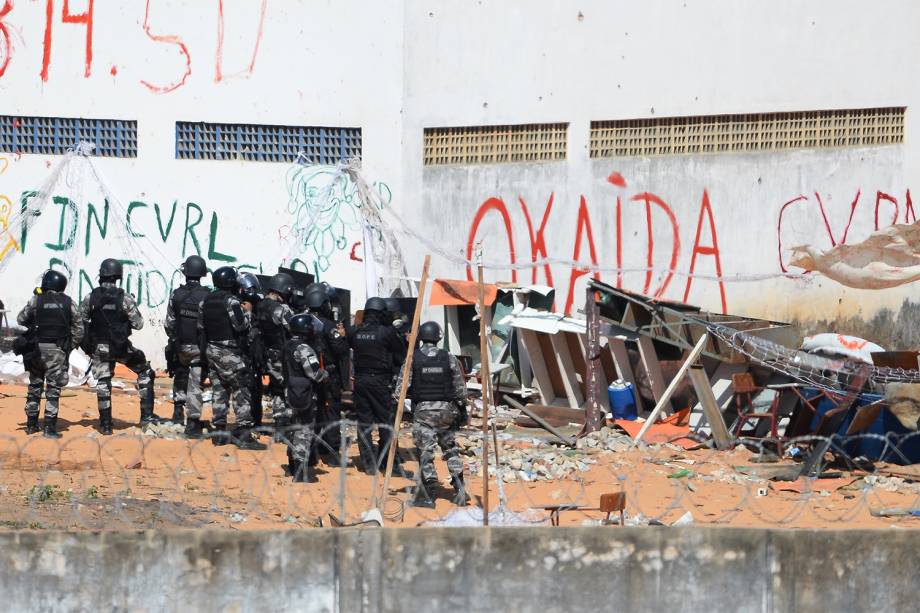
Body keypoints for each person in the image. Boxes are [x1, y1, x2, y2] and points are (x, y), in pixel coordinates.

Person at [79, 259, 159, 434]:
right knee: (145, 371)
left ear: (101, 275)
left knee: (103, 382)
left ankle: (106, 425)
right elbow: (138, 324)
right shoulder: (125, 298)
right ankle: (146, 418)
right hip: (120, 347)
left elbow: (81, 321)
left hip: (99, 347)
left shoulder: (90, 297)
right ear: (118, 276)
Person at [399, 321, 470, 508]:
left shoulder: (413, 358)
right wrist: (462, 408)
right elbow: (461, 389)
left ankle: (429, 495)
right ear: (438, 337)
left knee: (426, 453)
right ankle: (460, 488)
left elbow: (400, 389)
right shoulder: (449, 357)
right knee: (450, 449)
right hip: (447, 411)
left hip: (423, 412)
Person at [198, 266, 266, 450]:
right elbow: (240, 326)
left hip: (212, 350)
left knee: (219, 390)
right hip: (229, 352)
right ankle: (244, 433)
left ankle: (219, 433)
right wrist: (249, 311)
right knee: (241, 389)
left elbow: (201, 327)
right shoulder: (231, 301)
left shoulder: (205, 301)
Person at [348, 297, 411, 476]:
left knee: (364, 423)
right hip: (380, 381)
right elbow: (401, 355)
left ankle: (368, 465)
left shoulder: (355, 331)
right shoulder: (387, 332)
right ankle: (388, 462)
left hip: (360, 381)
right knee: (386, 423)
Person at [16, 270, 82, 438]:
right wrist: (67, 347)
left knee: (35, 386)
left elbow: (21, 319)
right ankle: (49, 428)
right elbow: (79, 330)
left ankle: (31, 425)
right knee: (53, 389)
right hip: (57, 352)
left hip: (36, 350)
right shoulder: (69, 303)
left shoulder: (36, 300)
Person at [164, 255, 210, 434]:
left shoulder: (176, 294)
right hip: (198, 347)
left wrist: (175, 340)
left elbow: (169, 323)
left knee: (180, 375)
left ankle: (177, 411)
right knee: (195, 382)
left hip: (180, 345)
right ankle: (192, 422)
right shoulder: (206, 295)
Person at [303, 283, 349, 466]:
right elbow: (341, 349)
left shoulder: (302, 321)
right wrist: (342, 336)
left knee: (311, 413)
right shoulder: (329, 326)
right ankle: (330, 452)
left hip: (307, 374)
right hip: (328, 375)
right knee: (330, 413)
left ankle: (311, 451)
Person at [282, 313, 329, 483]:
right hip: (304, 393)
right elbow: (315, 373)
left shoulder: (288, 345)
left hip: (290, 392)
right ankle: (300, 471)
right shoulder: (304, 348)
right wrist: (326, 373)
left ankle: (292, 465)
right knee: (304, 430)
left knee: (294, 427)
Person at [254, 272, 295, 441]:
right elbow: (293, 326)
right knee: (288, 389)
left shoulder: (261, 305)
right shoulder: (281, 309)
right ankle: (287, 427)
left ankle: (279, 426)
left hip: (268, 353)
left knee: (276, 389)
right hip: (283, 354)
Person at [238, 273, 265, 429]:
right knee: (247, 389)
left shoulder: (259, 305)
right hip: (244, 354)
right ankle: (248, 423)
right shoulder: (239, 306)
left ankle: (255, 421)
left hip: (255, 354)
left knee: (255, 388)